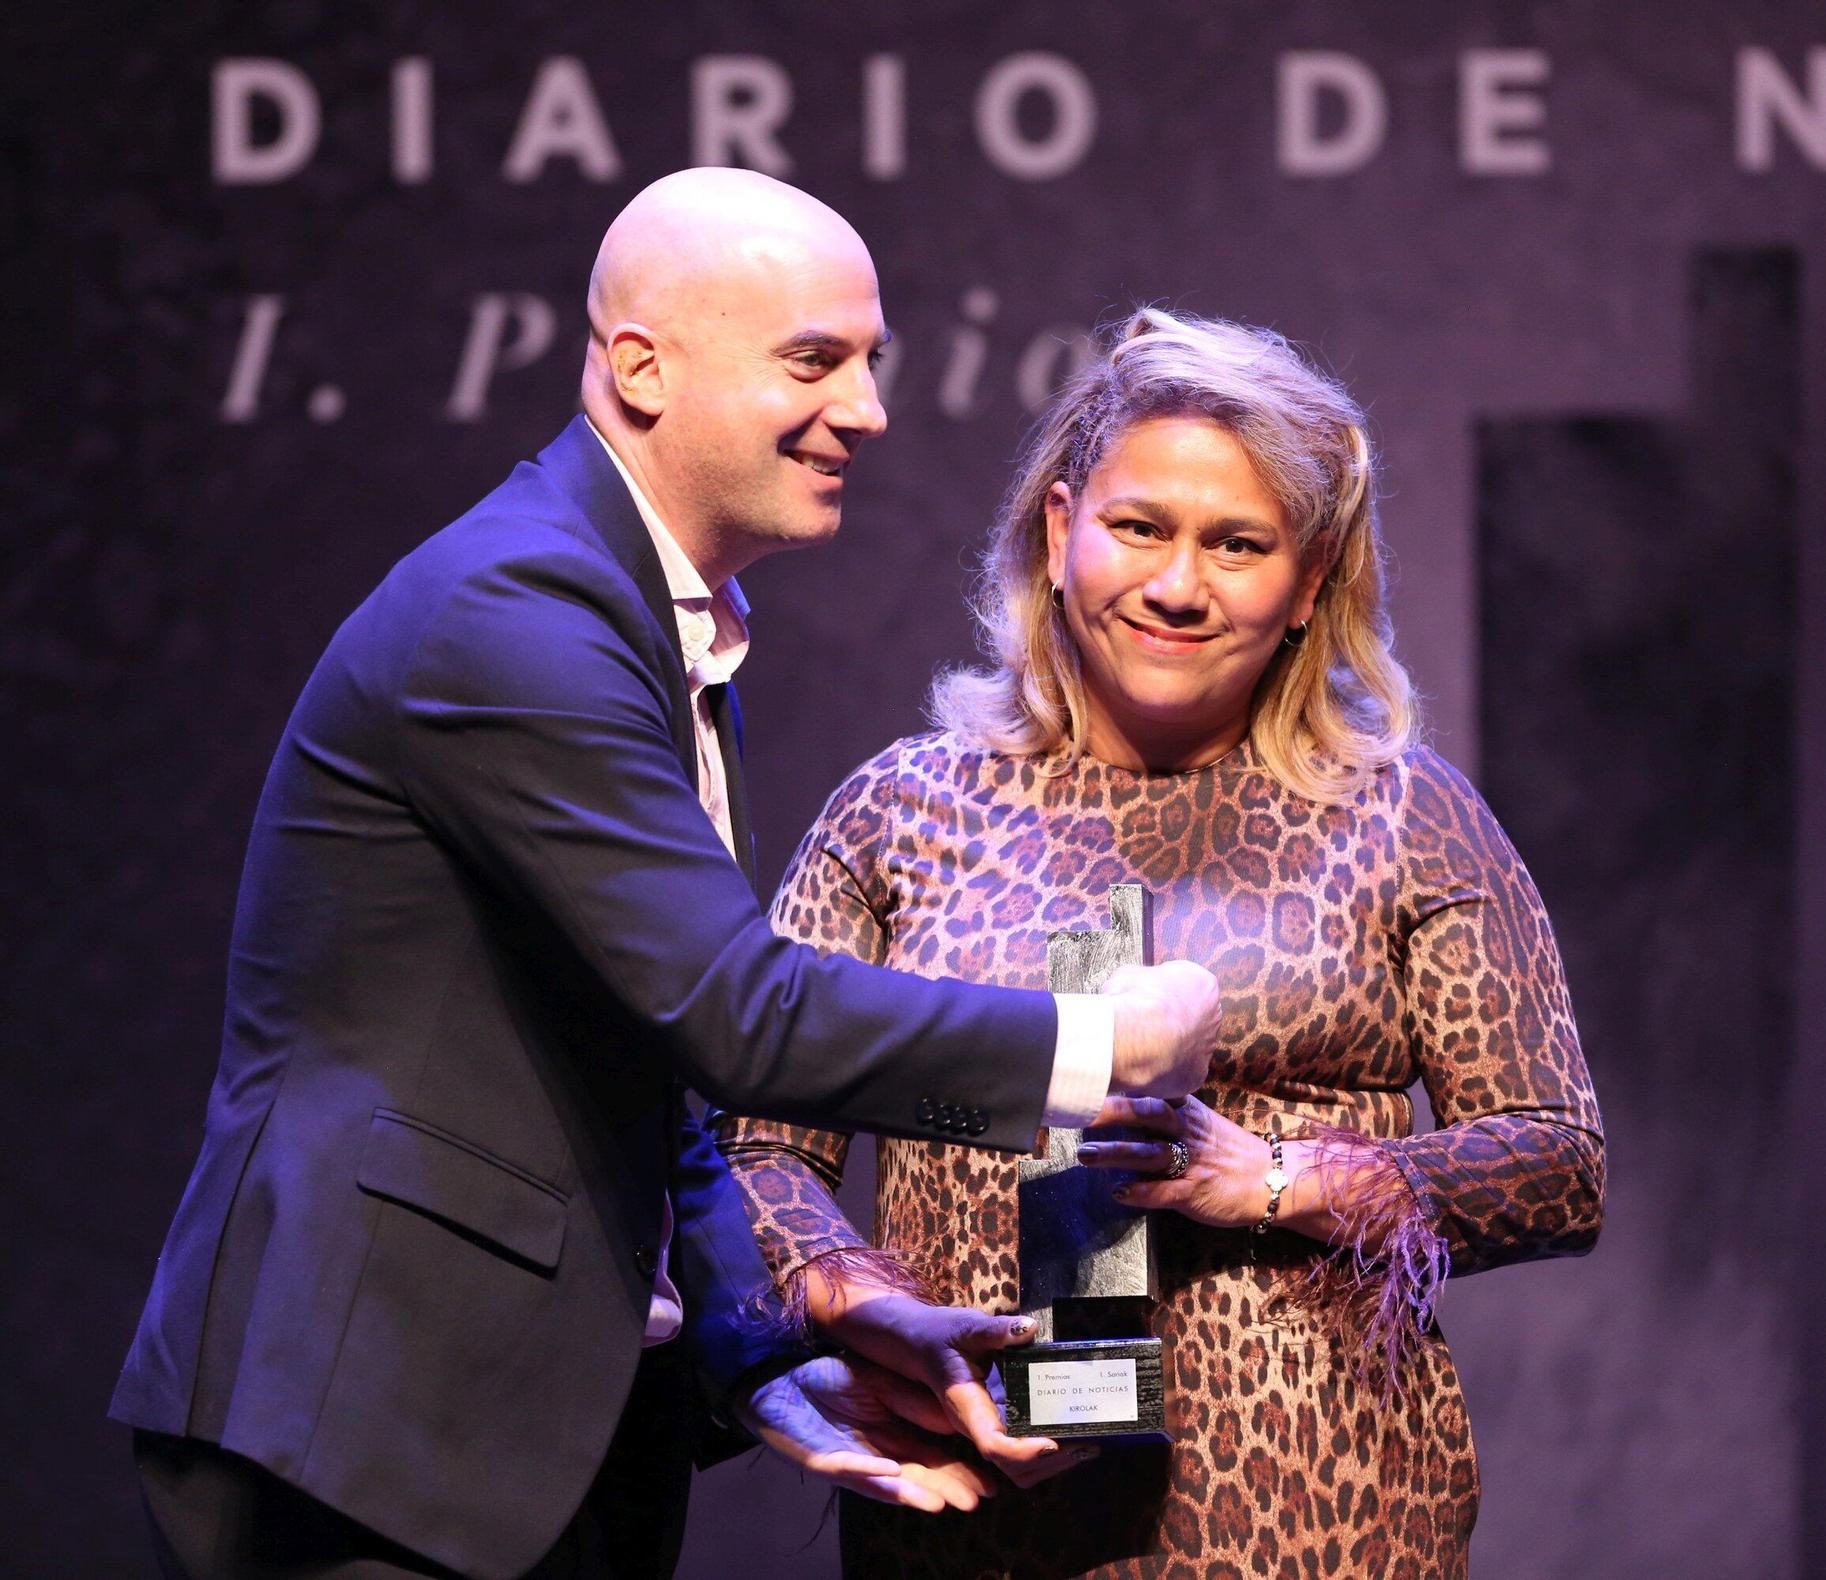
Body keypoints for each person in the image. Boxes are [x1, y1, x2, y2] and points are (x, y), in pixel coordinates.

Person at [110, 172, 1222, 1580]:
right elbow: (734, 1017)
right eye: (813, 361)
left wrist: (765, 1352)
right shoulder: (523, 607)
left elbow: (650, 1072)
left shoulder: (645, 616)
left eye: (869, 360)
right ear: (640, 366)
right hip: (364, 1429)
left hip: (535, 1436)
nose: (867, 409)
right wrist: (1102, 1047)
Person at [710, 308, 1606, 1578]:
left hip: (1315, 1503)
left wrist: (1282, 1176)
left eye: (1236, 543)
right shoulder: (901, 809)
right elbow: (751, 1141)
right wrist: (867, 1308)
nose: (1179, 585)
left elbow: (1557, 1159)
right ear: (1057, 529)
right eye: (1139, 527)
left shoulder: (1401, 815)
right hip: (970, 1488)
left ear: (1309, 582)